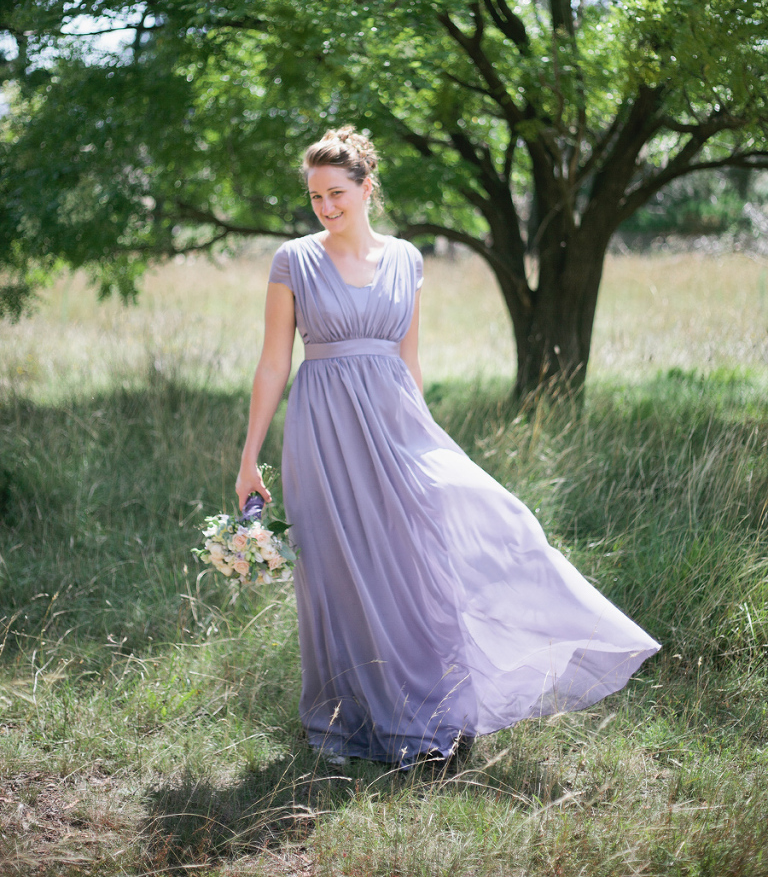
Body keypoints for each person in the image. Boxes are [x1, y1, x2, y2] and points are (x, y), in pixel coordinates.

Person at [235, 126, 660, 769]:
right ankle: (352, 720)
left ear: (366, 188)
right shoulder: (293, 261)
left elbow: (408, 361)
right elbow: (273, 363)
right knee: (337, 575)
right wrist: (249, 458)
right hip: (320, 432)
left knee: (444, 547)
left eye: (336, 193)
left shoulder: (407, 259)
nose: (325, 207)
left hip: (396, 426)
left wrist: (424, 442)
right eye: (315, 196)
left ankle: (433, 709)